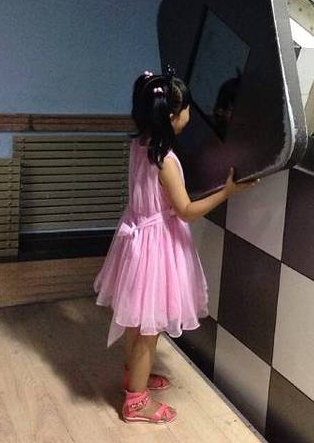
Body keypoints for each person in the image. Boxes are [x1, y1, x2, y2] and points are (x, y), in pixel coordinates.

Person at [94, 69, 256, 424]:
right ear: (171, 116)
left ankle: (133, 377)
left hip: (136, 239)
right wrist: (227, 192)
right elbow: (185, 211)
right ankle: (136, 402)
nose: (189, 114)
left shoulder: (140, 144)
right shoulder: (165, 159)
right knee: (148, 331)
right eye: (185, 109)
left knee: (136, 319)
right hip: (156, 247)